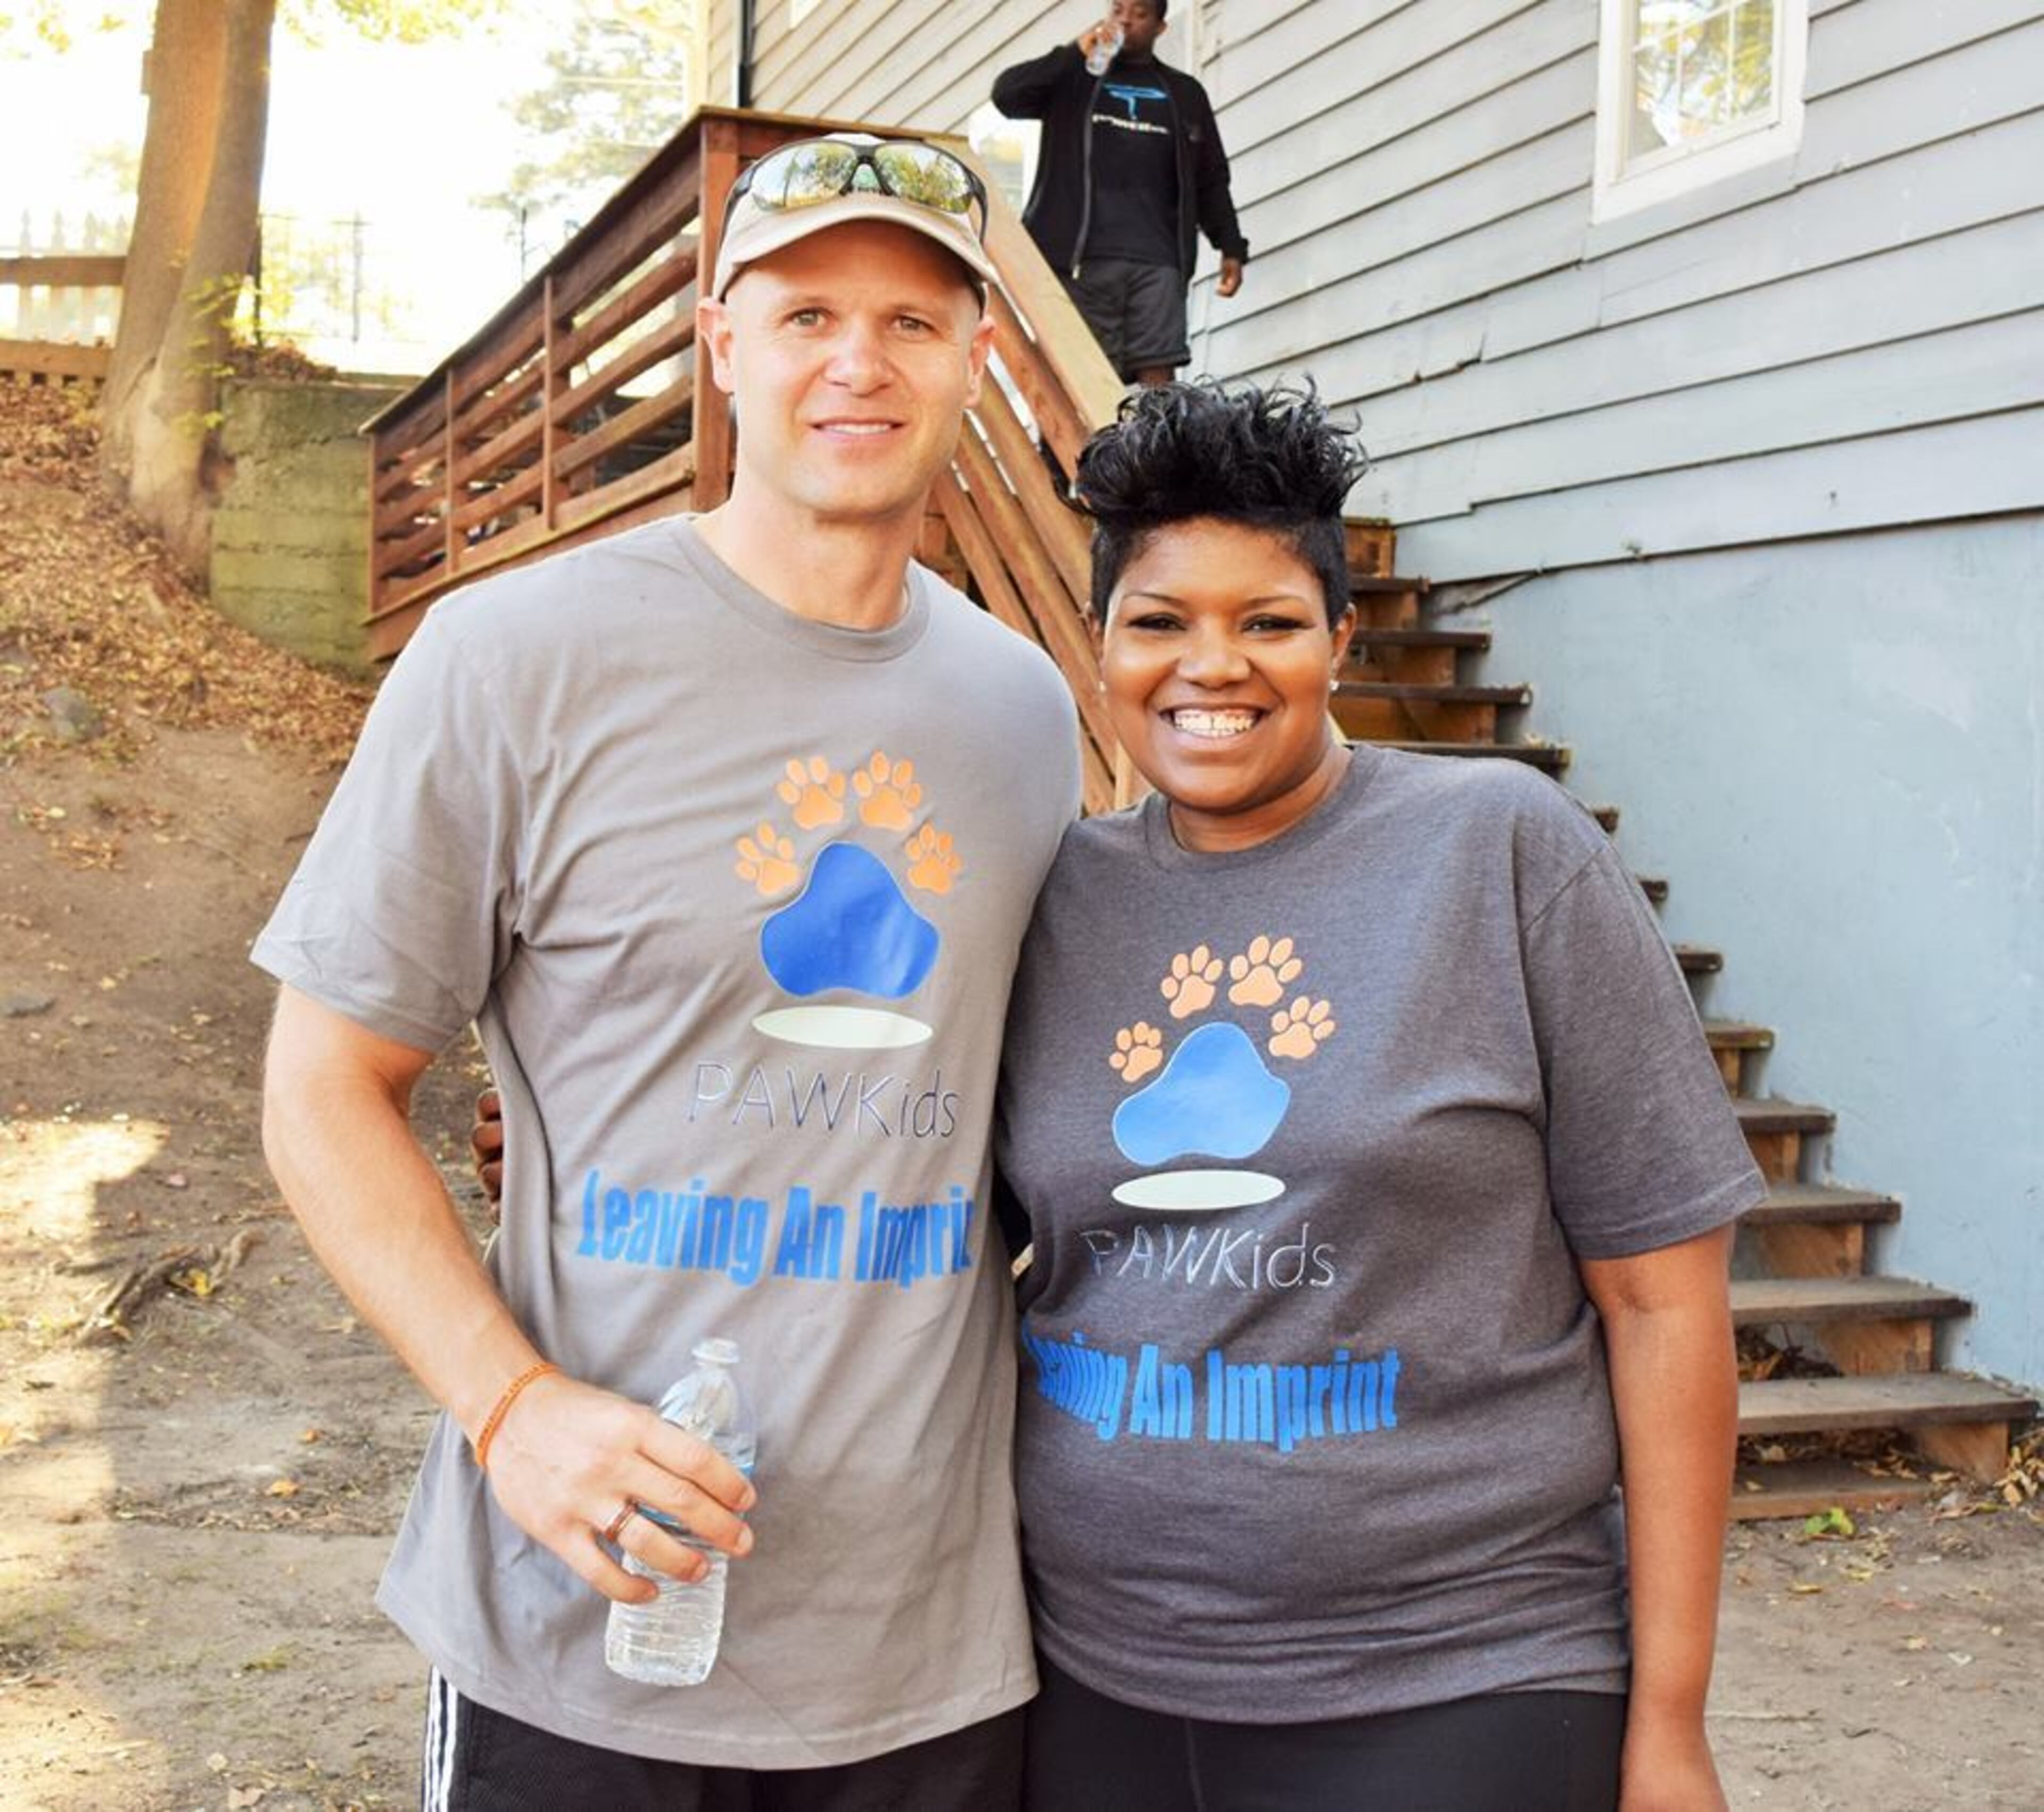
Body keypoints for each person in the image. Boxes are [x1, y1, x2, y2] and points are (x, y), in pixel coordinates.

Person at [256, 133, 1081, 1809]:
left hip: (922, 1656)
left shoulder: (1022, 716)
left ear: (979, 361)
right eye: (805, 316)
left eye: (915, 322)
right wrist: (513, 1409)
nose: (859, 361)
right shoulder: (512, 662)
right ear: (720, 343)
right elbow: (323, 1085)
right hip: (583, 1618)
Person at [994, 380, 1764, 1809]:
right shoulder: (1056, 896)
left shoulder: (1500, 850)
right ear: (1098, 644)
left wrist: (1669, 1721)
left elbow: (1666, 1300)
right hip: (1091, 1673)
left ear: (1341, 639)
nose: (1209, 665)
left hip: (1457, 1673)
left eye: (1268, 621)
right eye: (1160, 620)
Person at [993, 0, 1249, 388]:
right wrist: (1074, 52)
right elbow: (1007, 96)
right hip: (1080, 263)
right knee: (1081, 381)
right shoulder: (1073, 78)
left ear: (1161, 28)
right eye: (1118, 9)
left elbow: (1210, 177)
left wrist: (1231, 244)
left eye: (1140, 13)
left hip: (1159, 261)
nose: (1126, 20)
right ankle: (1077, 453)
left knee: (1159, 382)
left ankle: (1159, 451)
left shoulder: (1184, 93)